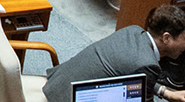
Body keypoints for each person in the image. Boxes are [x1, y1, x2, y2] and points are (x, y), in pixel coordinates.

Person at [42, 5, 185, 102]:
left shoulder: (133, 31)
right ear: (166, 38)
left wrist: (165, 92)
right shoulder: (148, 65)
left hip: (57, 85)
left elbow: (135, 77)